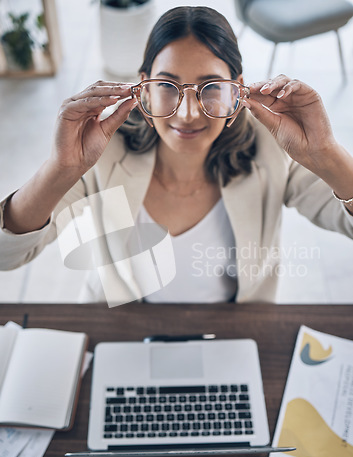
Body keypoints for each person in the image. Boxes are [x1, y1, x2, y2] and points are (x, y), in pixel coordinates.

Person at [1, 6, 353, 305]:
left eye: (211, 88)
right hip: (121, 334)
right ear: (144, 90)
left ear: (236, 91)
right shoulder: (102, 148)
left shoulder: (271, 146)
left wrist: (327, 154)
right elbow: (7, 255)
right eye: (167, 86)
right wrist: (59, 169)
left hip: (236, 336)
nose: (187, 113)